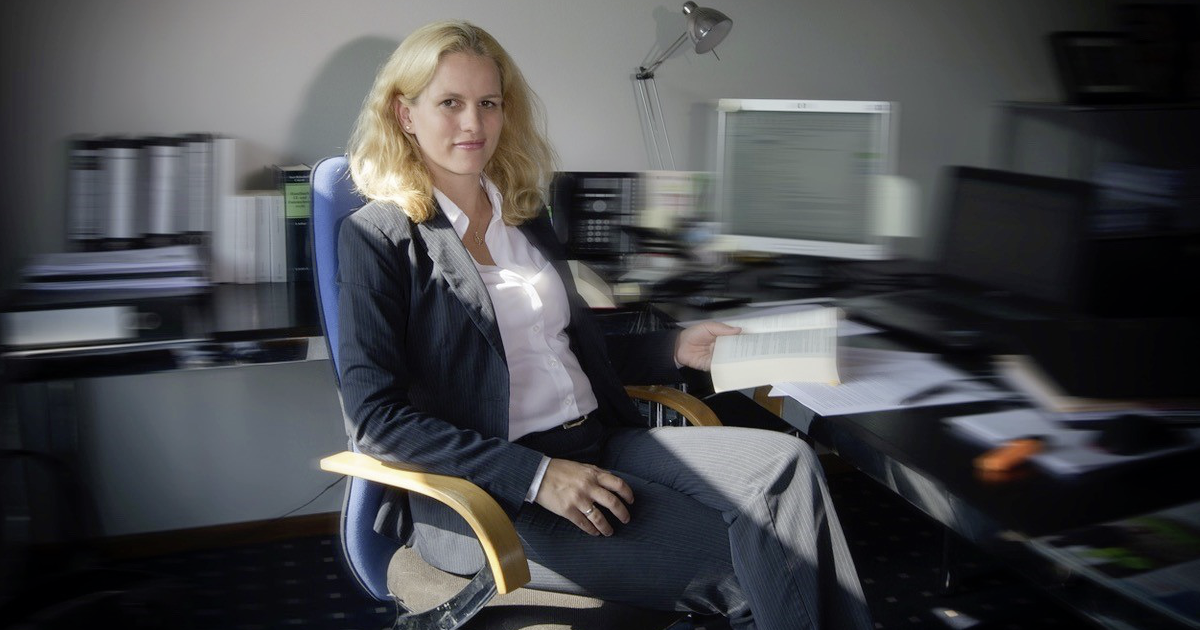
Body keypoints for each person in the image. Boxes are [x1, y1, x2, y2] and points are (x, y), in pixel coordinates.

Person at [337, 19, 874, 630]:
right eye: (450, 103)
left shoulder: (522, 212)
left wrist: (675, 348)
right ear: (405, 114)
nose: (474, 123)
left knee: (787, 465)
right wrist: (537, 476)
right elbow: (376, 421)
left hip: (597, 439)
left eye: (489, 103)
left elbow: (558, 351)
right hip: (493, 489)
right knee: (764, 562)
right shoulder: (379, 236)